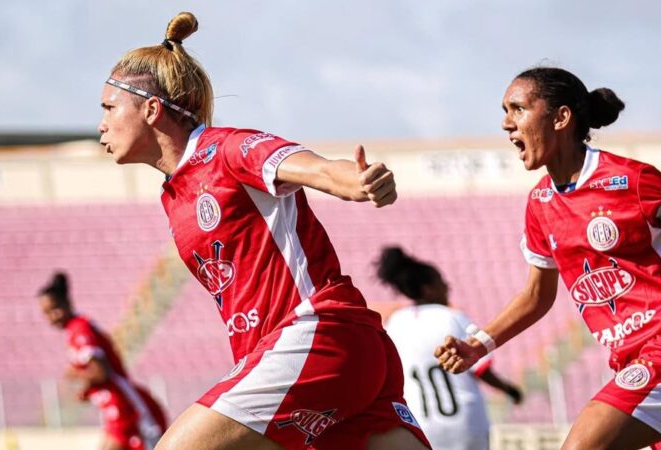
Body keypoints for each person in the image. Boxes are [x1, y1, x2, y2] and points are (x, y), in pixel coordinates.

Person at [97, 11, 430, 450]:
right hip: (345, 356)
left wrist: (356, 181)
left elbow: (316, 168)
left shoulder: (227, 148)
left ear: (152, 110)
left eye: (108, 108)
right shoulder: (175, 191)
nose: (100, 123)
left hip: (318, 336)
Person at [434, 66, 661, 450]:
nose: (506, 123)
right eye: (504, 110)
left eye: (517, 108)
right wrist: (479, 343)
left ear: (561, 117)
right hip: (638, 362)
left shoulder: (631, 180)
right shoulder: (540, 203)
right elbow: (536, 296)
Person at [376, 246, 523, 450]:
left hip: (419, 424)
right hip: (465, 422)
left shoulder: (394, 324)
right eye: (441, 282)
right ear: (428, 288)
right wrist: (509, 390)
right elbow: (481, 369)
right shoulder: (454, 317)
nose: (448, 287)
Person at [38, 272, 167, 450]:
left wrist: (75, 374)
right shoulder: (76, 329)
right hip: (116, 409)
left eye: (55, 308)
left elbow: (101, 372)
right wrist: (87, 389)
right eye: (46, 313)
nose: (52, 316)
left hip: (124, 408)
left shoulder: (80, 329)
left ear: (68, 302)